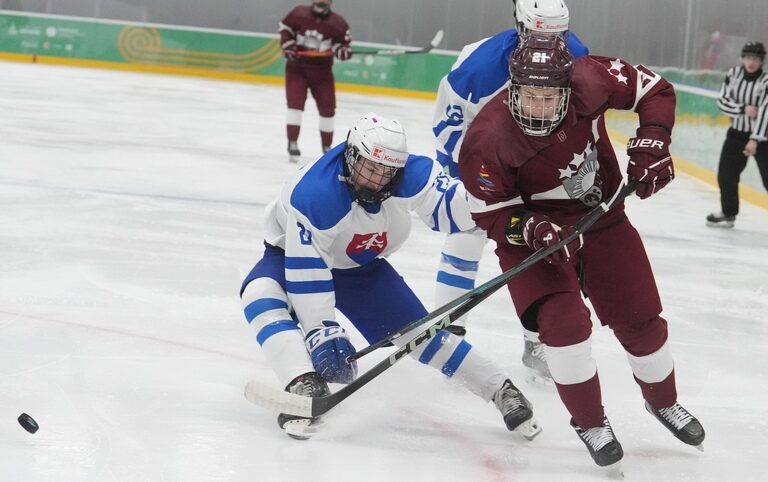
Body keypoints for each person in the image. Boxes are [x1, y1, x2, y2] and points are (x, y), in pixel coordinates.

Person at [457, 34, 705, 468]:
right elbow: (491, 214)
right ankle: (590, 422)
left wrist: (653, 140)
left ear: (568, 88)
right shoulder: (487, 137)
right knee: (563, 325)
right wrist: (531, 228)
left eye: (549, 97)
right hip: (535, 241)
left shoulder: (591, 78)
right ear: (512, 89)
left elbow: (654, 89)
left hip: (602, 218)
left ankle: (662, 401)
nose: (538, 108)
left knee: (640, 319)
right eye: (529, 96)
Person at [239, 112, 539, 440]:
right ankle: (303, 383)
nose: (376, 179)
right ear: (351, 155)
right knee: (260, 295)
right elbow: (307, 274)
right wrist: (322, 332)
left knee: (423, 336)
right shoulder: (315, 194)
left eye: (386, 172)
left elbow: (455, 208)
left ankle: (500, 389)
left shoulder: (411, 174)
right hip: (290, 258)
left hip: (361, 271)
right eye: (369, 167)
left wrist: (511, 216)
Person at [432, 0, 588, 383]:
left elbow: (585, 116)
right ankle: (449, 331)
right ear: (520, 27)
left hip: (539, 164)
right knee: (465, 237)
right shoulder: (479, 67)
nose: (550, 44)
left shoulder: (578, 57)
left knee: (545, 248)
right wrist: (469, 177)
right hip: (484, 161)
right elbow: (449, 128)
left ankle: (537, 340)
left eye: (557, 36)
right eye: (539, 35)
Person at [278, 0, 352, 162]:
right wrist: (288, 44)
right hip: (297, 69)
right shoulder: (298, 13)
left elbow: (343, 45)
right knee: (295, 104)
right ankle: (292, 142)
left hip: (322, 72)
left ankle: (327, 147)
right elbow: (285, 28)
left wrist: (342, 51)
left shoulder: (338, 23)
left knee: (328, 109)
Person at [706, 41, 768, 228]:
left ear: (761, 61)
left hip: (763, 137)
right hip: (736, 134)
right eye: (749, 57)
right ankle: (728, 212)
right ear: (742, 58)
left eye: (756, 58)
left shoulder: (765, 80)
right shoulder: (733, 75)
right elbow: (722, 102)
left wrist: (755, 139)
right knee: (726, 175)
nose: (752, 62)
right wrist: (742, 108)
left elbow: (765, 111)